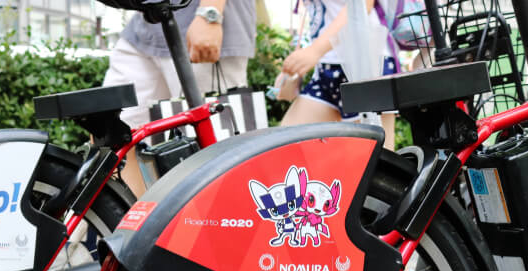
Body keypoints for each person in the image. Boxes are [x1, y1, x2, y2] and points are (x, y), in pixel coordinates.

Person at [103, 0, 258, 195]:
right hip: (144, 25)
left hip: (200, 22)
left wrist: (210, 13)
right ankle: (127, 221)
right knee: (113, 132)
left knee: (218, 155)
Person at [279, 0, 399, 149]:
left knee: (375, 162)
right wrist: (297, 62)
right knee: (284, 149)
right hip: (326, 66)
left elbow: (363, 4)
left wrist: (315, 51)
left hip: (365, 63)